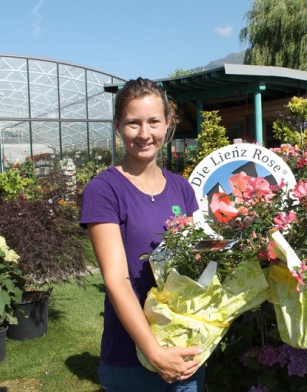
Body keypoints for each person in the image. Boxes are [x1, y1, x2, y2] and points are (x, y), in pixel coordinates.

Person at [80, 78, 204, 391]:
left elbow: (191, 266)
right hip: (131, 357)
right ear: (117, 126)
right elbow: (116, 281)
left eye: (154, 122)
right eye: (133, 123)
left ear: (168, 124)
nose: (145, 134)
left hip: (185, 349)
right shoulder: (104, 190)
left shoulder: (181, 188)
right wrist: (153, 351)